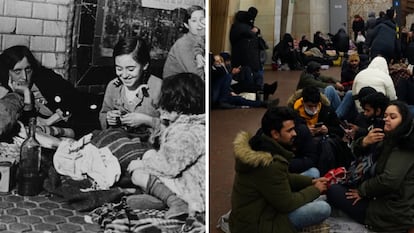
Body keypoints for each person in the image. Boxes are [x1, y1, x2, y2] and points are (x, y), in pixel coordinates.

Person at [229, 106, 331, 233]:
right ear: (275, 134)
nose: (295, 133)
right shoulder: (270, 164)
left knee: (313, 173)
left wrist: (311, 182)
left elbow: (283, 177)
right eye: (290, 130)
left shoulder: (260, 144)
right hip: (259, 225)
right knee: (323, 208)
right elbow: (287, 204)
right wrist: (315, 190)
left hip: (257, 210)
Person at [327, 101, 414, 233]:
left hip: (391, 210)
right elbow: (355, 156)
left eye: (393, 117)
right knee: (336, 186)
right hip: (377, 194)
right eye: (386, 116)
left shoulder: (405, 147)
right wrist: (364, 142)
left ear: (404, 121)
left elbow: (389, 180)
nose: (387, 119)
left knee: (333, 191)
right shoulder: (386, 137)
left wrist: (363, 190)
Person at [127, 72, 205, 218]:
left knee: (138, 174)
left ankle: (177, 202)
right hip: (186, 179)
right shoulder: (191, 124)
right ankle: (161, 199)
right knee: (149, 154)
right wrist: (164, 125)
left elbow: (168, 166)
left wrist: (142, 165)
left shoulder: (187, 132)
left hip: (193, 189)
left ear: (176, 105)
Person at [0, 45, 100, 138]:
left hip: (93, 111)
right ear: (7, 72)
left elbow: (74, 103)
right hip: (70, 129)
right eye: (17, 71)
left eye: (28, 70)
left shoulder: (46, 78)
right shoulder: (10, 95)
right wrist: (26, 93)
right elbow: (29, 122)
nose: (24, 77)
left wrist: (48, 121)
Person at [99, 37, 162, 142]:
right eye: (119, 69)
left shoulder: (159, 88)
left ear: (145, 65)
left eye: (131, 69)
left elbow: (174, 128)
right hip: (119, 143)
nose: (124, 75)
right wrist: (108, 118)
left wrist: (147, 121)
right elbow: (104, 114)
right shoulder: (113, 87)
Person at [163, 5, 205, 80]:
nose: (199, 24)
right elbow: (198, 76)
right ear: (186, 25)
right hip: (176, 88)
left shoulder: (200, 40)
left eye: (202, 20)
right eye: (194, 21)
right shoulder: (184, 44)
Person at [229, 9, 263, 88]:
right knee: (253, 76)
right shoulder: (241, 27)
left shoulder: (237, 27)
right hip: (247, 57)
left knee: (252, 75)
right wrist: (256, 31)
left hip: (245, 56)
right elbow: (251, 32)